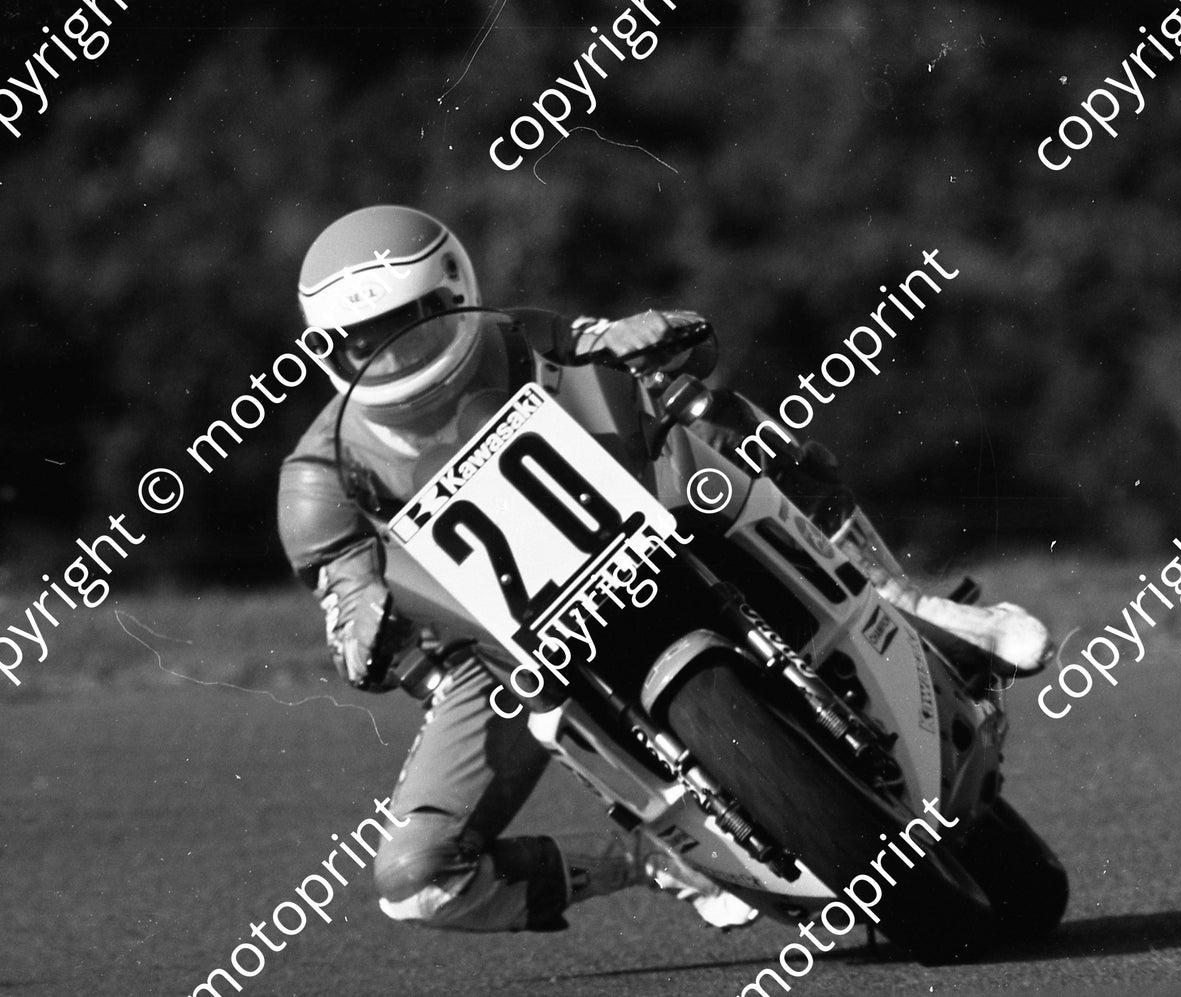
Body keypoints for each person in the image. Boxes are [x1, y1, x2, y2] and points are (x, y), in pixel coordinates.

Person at [276, 204, 1053, 936]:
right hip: (505, 649)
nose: (397, 350)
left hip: (638, 525)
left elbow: (604, 347)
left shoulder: (518, 336)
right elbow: (344, 598)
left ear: (454, 292)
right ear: (324, 347)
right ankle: (646, 857)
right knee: (414, 880)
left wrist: (640, 341)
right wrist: (363, 618)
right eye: (365, 339)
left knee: (709, 416)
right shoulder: (319, 477)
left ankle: (900, 600)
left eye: (413, 324)